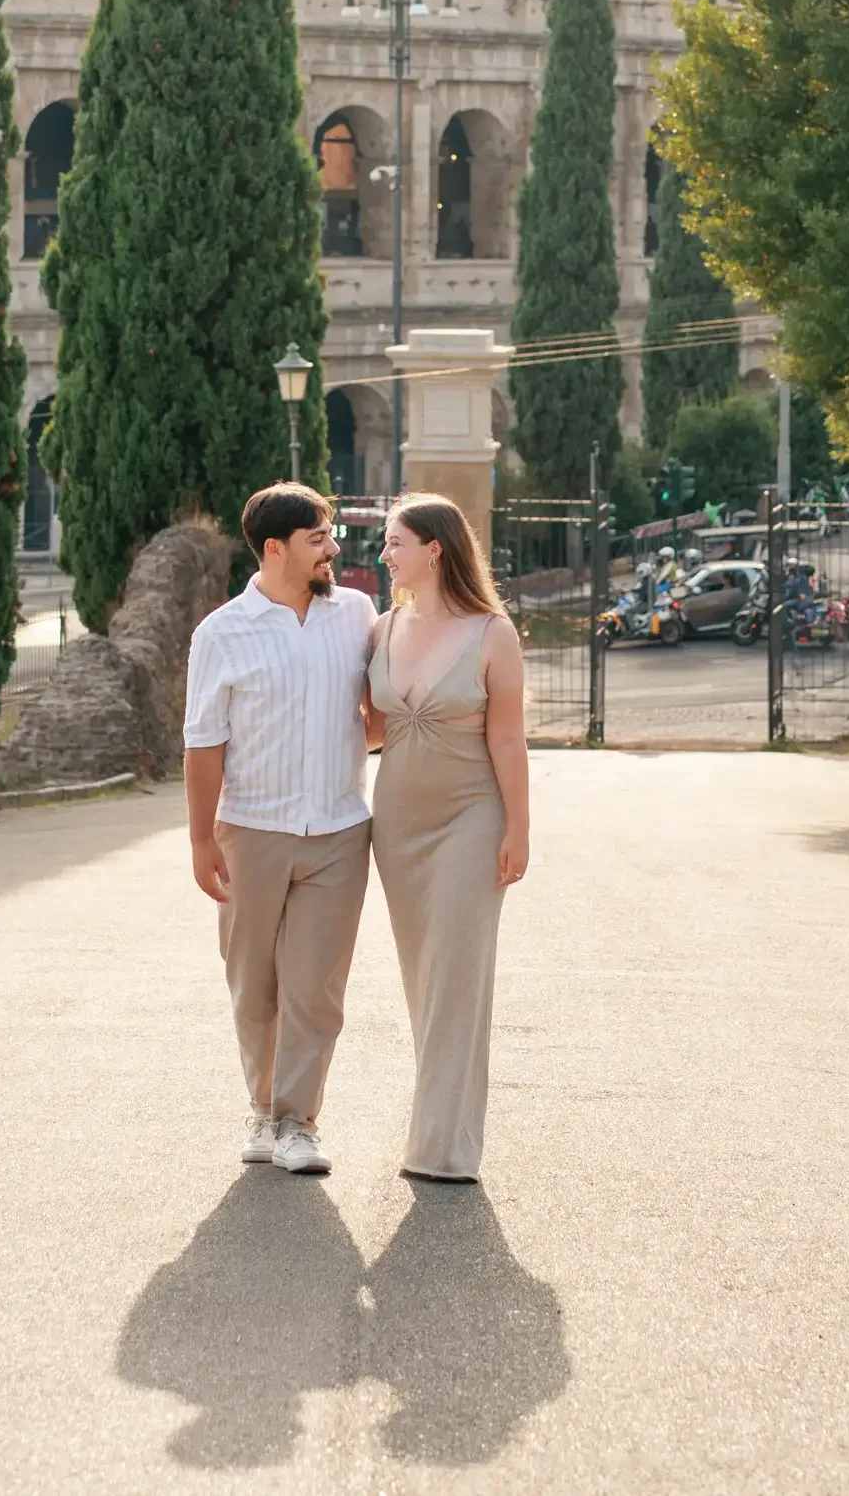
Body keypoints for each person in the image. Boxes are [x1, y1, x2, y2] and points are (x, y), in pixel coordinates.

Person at [183, 481, 376, 1178]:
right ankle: (262, 1107)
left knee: (315, 987)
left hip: (338, 831)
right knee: (252, 984)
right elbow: (203, 743)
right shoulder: (221, 633)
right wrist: (202, 840)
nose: (333, 549)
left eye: (330, 536)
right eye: (318, 538)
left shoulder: (356, 613)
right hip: (251, 829)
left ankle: (298, 1122)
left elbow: (378, 709)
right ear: (274, 548)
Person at [367, 493, 529, 1182]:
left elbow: (507, 738)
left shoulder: (492, 633)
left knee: (458, 975)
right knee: (421, 976)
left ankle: (443, 1146)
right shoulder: (381, 629)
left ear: (434, 550)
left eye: (394, 543)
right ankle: (440, 1119)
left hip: (471, 816)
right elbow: (370, 730)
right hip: (396, 824)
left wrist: (518, 829)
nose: (383, 554)